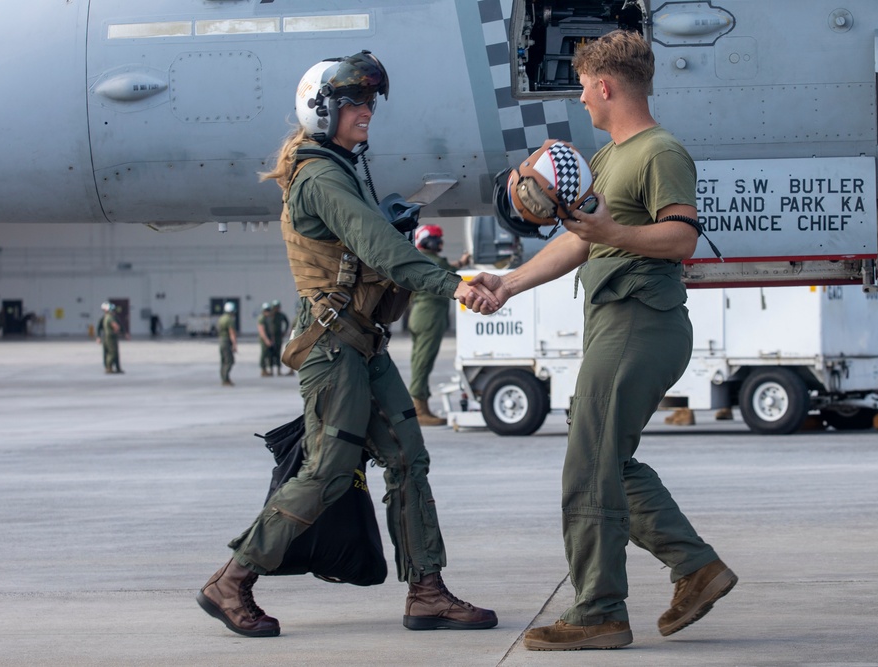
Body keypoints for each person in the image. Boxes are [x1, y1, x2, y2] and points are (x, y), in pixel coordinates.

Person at [196, 50, 499, 638]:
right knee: (329, 471)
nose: (366, 113)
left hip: (361, 343)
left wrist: (393, 224)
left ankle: (427, 591)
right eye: (353, 103)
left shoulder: (341, 168)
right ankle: (231, 580)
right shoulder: (320, 174)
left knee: (409, 459)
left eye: (369, 103)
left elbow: (367, 242)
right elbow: (378, 249)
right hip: (331, 349)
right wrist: (455, 286)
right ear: (321, 112)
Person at [467, 30, 737, 650]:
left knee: (587, 466)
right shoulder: (607, 158)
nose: (583, 99)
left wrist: (613, 229)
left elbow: (680, 238)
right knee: (606, 461)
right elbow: (583, 239)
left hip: (642, 317)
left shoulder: (658, 152)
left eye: (586, 87)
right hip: (618, 321)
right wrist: (507, 283)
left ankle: (599, 612)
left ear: (607, 86)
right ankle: (696, 568)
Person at [408, 224, 471, 426]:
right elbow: (450, 272)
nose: (441, 243)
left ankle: (421, 405)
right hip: (430, 315)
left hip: (419, 314)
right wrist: (462, 262)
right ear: (430, 242)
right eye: (438, 239)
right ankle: (419, 409)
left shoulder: (422, 260)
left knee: (418, 361)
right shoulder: (436, 261)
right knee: (423, 362)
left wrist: (459, 262)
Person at [96, 302, 126, 374]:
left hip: (109, 336)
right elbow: (99, 328)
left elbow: (120, 325)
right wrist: (98, 337)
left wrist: (123, 332)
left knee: (113, 353)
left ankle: (116, 367)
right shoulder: (107, 317)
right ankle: (108, 367)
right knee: (111, 353)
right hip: (109, 337)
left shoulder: (112, 317)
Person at [218, 302, 238, 386]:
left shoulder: (221, 318)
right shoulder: (229, 320)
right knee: (229, 361)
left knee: (223, 361)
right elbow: (232, 332)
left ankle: (224, 378)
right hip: (227, 341)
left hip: (221, 340)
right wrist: (234, 344)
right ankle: (225, 379)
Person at [269, 299, 290, 376]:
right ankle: (271, 370)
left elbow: (287, 322)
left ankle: (278, 370)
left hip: (278, 336)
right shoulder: (270, 315)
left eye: (277, 307)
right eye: (275, 307)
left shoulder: (281, 315)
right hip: (271, 336)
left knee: (278, 353)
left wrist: (284, 331)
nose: (276, 309)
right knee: (271, 354)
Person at [256, 302, 274, 377]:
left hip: (269, 338)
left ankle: (267, 369)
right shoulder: (261, 318)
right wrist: (266, 340)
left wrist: (272, 338)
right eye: (266, 310)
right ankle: (263, 370)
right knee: (264, 354)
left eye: (269, 310)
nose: (268, 312)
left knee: (269, 354)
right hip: (264, 339)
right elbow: (261, 331)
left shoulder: (268, 318)